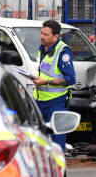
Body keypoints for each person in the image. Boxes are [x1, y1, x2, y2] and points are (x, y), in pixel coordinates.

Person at [31, 19, 76, 152]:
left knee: (57, 143)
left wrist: (46, 82)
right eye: (41, 33)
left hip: (56, 102)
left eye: (45, 34)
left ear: (55, 36)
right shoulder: (43, 49)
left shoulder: (63, 52)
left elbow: (70, 79)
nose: (41, 37)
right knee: (39, 141)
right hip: (40, 101)